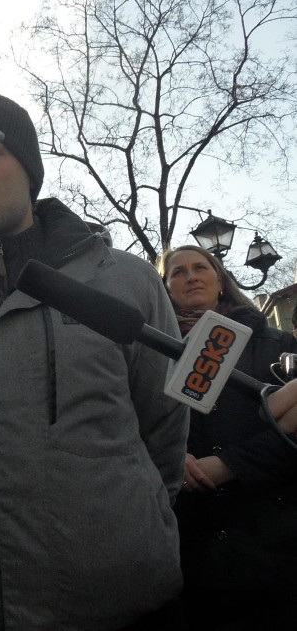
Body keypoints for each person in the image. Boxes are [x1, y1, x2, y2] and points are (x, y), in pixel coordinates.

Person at [0, 90, 190, 631]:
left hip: (122, 608)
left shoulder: (126, 280)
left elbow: (164, 425)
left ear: (29, 169)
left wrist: (133, 520)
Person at [158, 244, 297, 630]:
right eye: (177, 272)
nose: (190, 276)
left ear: (220, 281)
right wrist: (170, 455)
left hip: (275, 545)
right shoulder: (148, 353)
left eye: (200, 267)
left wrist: (230, 466)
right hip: (191, 551)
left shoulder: (279, 347)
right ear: (165, 288)